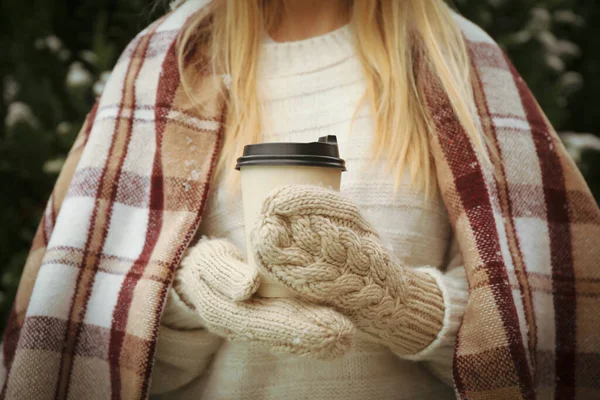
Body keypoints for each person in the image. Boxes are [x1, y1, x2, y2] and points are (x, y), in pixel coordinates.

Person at [1, 1, 598, 399]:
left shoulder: (458, 56)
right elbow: (92, 350)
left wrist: (401, 304)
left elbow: (536, 330)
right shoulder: (165, 63)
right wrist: (189, 295)